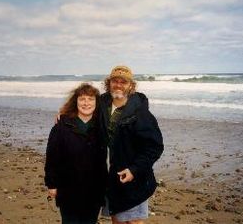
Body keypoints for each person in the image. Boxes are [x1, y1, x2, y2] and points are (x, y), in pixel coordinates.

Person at [100, 65, 164, 224]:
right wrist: (63, 113)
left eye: (124, 82)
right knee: (117, 220)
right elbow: (81, 107)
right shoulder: (100, 105)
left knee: (134, 222)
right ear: (109, 83)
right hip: (111, 177)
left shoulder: (141, 112)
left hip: (135, 178)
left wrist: (134, 170)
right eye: (115, 81)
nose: (119, 85)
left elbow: (154, 147)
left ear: (131, 86)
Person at [44, 83, 107, 224]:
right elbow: (52, 157)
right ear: (75, 101)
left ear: (97, 103)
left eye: (91, 99)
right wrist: (52, 184)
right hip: (68, 188)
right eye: (82, 99)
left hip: (94, 189)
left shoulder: (102, 126)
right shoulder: (62, 125)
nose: (86, 103)